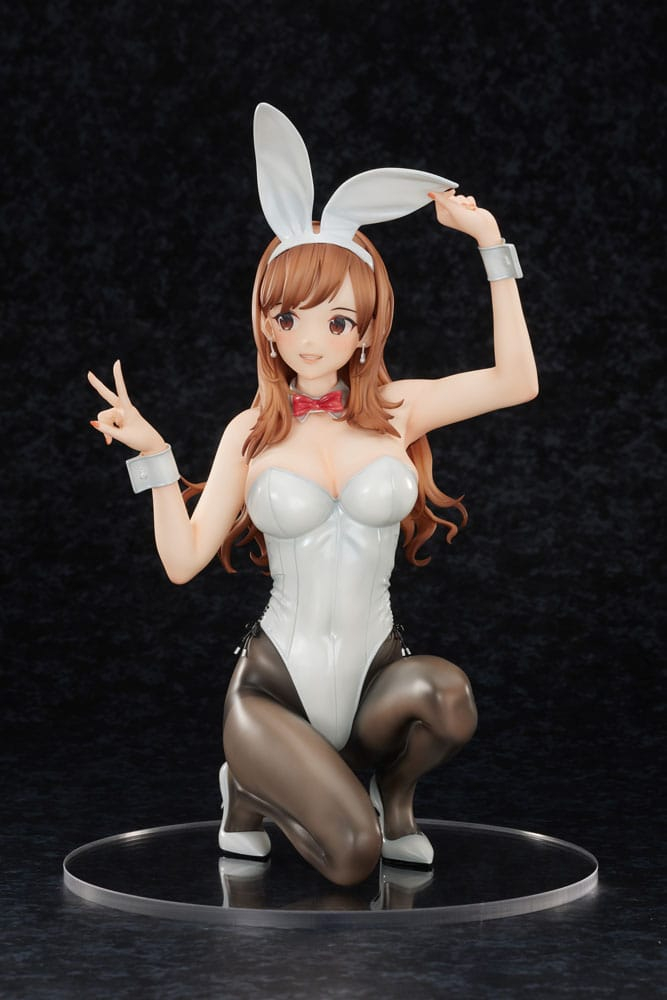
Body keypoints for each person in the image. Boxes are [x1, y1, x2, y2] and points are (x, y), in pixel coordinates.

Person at [88, 105, 537, 887]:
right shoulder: (250, 431)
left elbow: (516, 381)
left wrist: (488, 244)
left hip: (373, 681)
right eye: (289, 316)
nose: (309, 338)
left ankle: (393, 796)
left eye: (336, 320)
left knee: (450, 698)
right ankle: (245, 789)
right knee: (352, 859)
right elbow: (183, 562)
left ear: (363, 331)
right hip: (274, 691)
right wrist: (156, 458)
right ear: (266, 325)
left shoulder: (398, 409)